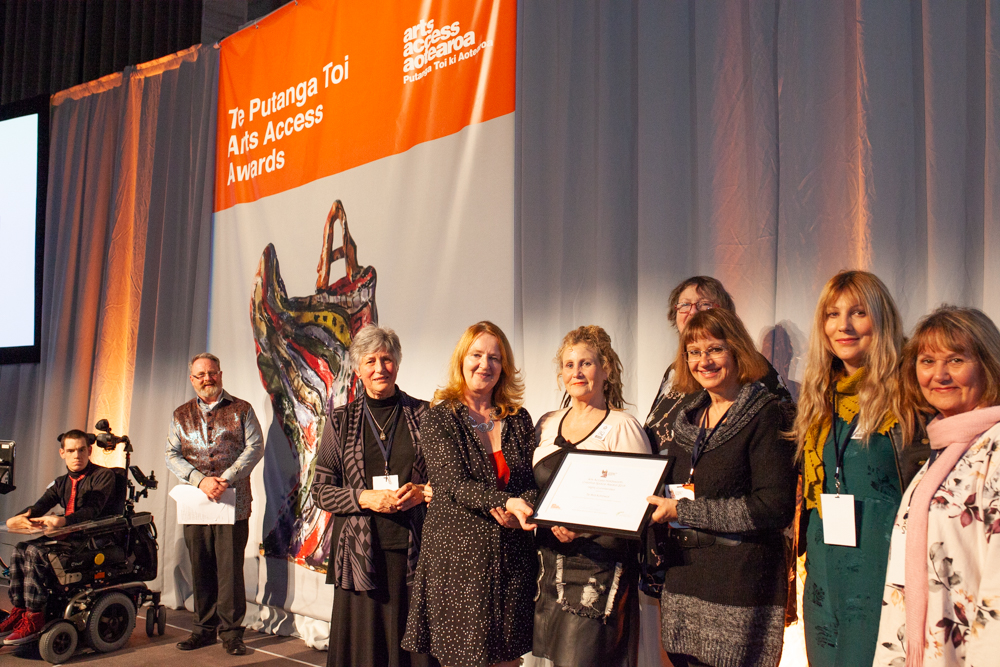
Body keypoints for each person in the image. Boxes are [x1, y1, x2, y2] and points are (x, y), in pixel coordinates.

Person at [645, 308, 797, 667]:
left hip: (741, 584)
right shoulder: (688, 419)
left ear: (736, 350)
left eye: (714, 349)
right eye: (694, 352)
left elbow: (773, 507)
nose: (704, 361)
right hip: (685, 578)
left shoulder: (767, 414)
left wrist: (683, 511)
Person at [794, 271, 929, 667]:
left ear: (882, 318)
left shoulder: (912, 392)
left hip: (885, 567)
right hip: (824, 567)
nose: (844, 326)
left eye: (858, 313)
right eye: (832, 315)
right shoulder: (820, 396)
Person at [403, 321, 538, 667]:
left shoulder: (519, 418)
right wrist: (504, 501)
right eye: (477, 355)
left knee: (508, 658)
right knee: (466, 659)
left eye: (495, 357)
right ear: (462, 360)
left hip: (511, 559)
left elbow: (529, 480)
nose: (485, 364)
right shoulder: (440, 418)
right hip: (458, 560)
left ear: (504, 367)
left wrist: (525, 507)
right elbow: (453, 484)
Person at [873, 306, 1000, 667]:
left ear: (987, 364)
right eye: (927, 361)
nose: (940, 375)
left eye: (956, 359)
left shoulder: (995, 444)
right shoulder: (942, 449)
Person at [310, 325, 437, 667]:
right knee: (365, 650)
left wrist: (424, 491)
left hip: (414, 550)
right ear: (357, 369)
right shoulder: (341, 420)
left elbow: (446, 484)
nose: (380, 368)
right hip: (359, 554)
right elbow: (320, 491)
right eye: (371, 361)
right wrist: (364, 498)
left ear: (398, 363)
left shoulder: (425, 416)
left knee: (416, 650)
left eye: (387, 359)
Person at [531, 325, 651, 667]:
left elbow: (638, 506)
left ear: (606, 369)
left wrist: (584, 530)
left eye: (586, 363)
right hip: (548, 565)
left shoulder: (623, 426)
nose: (577, 372)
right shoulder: (546, 424)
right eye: (569, 365)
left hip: (597, 569)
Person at [165, 352, 264, 656]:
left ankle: (232, 633)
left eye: (212, 373)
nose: (207, 378)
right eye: (200, 375)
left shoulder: (242, 409)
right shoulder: (180, 414)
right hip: (196, 504)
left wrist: (226, 477)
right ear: (192, 379)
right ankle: (203, 629)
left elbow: (255, 446)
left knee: (230, 570)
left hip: (234, 502)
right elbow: (172, 454)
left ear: (221, 374)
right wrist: (199, 479)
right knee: (201, 567)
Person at [0, 430, 118, 645]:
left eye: (82, 450)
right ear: (62, 452)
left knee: (35, 552)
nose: (77, 455)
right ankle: (20, 610)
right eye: (71, 451)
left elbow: (92, 510)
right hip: (68, 536)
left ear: (89, 450)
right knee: (20, 549)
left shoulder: (103, 476)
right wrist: (17, 518)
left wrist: (62, 521)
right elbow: (40, 506)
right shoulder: (61, 482)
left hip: (93, 539)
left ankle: (35, 617)